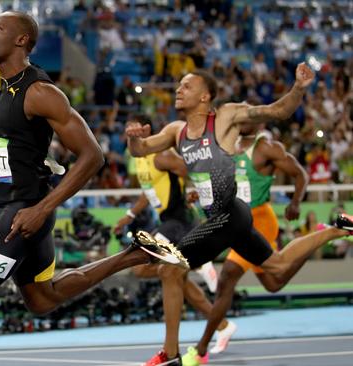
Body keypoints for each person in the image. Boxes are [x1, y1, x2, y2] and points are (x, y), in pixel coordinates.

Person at [0, 11, 186, 365]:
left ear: (21, 40)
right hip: (11, 208)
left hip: (24, 211)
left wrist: (42, 209)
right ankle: (134, 255)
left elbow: (92, 157)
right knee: (42, 300)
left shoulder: (41, 93)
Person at [127, 65, 353, 365]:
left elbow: (276, 112)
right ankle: (337, 229)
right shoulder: (175, 132)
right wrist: (133, 137)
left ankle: (170, 354)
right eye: (179, 86)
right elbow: (140, 150)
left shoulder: (225, 118)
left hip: (229, 213)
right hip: (225, 216)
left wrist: (298, 88)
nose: (178, 90)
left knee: (170, 269)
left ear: (205, 96)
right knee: (277, 265)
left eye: (186, 86)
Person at [185, 122, 309, 362]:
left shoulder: (266, 148)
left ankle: (202, 348)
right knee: (273, 284)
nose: (238, 121)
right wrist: (200, 193)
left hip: (260, 220)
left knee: (227, 276)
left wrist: (295, 202)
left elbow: (300, 174)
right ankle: (305, 246)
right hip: (238, 221)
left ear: (257, 121)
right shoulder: (229, 148)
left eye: (245, 117)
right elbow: (226, 185)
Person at [114, 137, 228, 366]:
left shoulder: (162, 155)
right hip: (169, 222)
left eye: (135, 131)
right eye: (127, 133)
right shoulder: (141, 162)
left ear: (146, 133)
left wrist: (199, 192)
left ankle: (200, 264)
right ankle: (223, 325)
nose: (130, 136)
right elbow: (149, 192)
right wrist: (130, 215)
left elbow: (190, 169)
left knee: (142, 264)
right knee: (174, 277)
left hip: (179, 221)